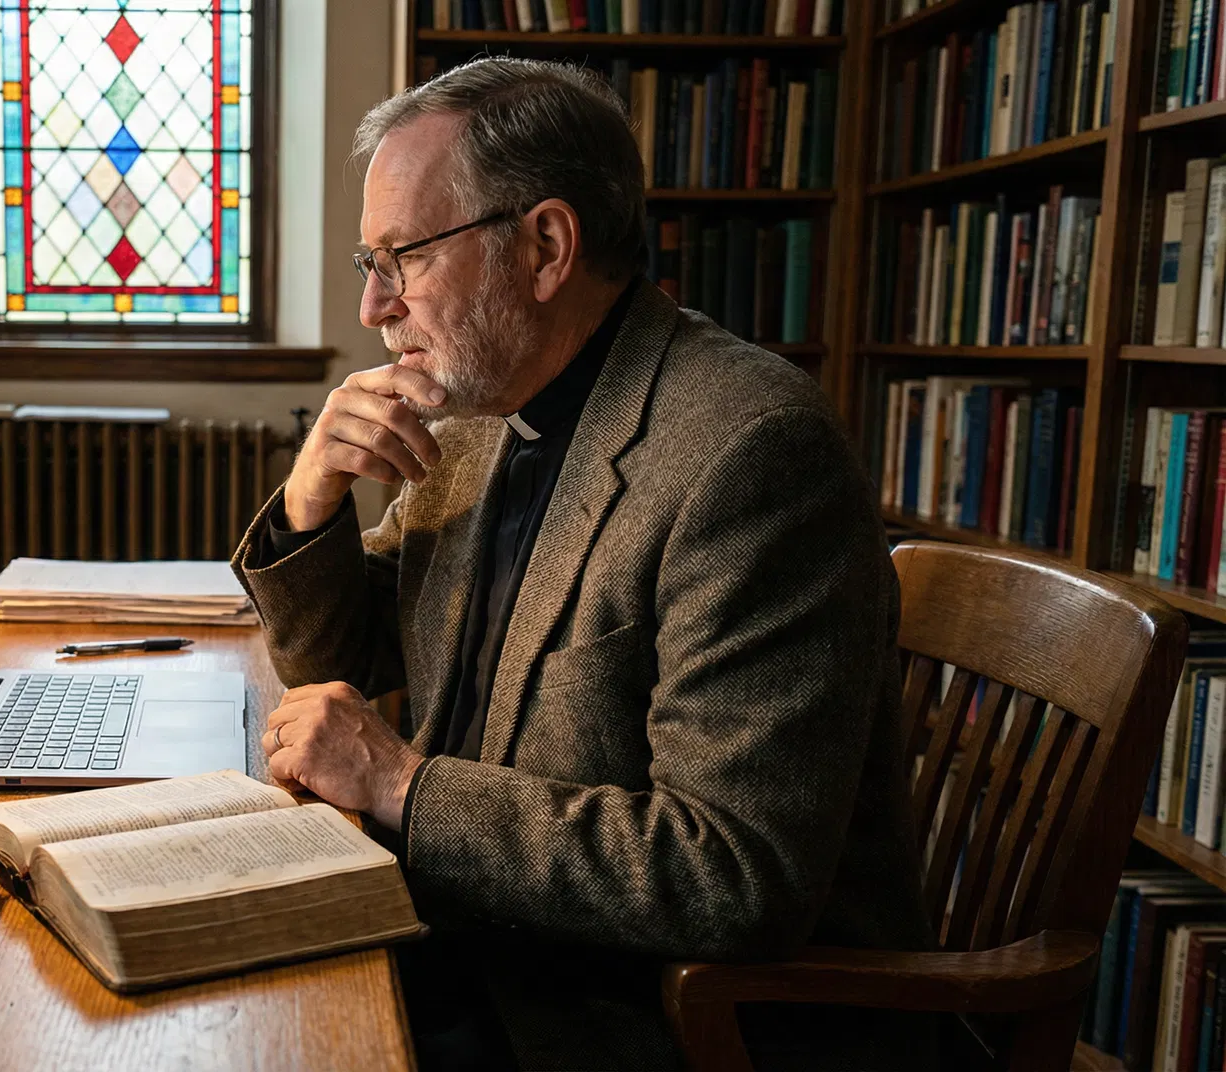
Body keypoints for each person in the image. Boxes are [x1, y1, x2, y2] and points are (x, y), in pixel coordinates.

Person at [230, 57, 934, 1070]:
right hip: (466, 935)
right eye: (365, 263)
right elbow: (351, 654)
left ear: (546, 246)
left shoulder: (749, 451)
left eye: (403, 257)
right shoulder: (485, 402)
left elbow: (732, 875)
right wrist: (311, 503)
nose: (374, 307)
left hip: (621, 1015)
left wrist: (400, 784)